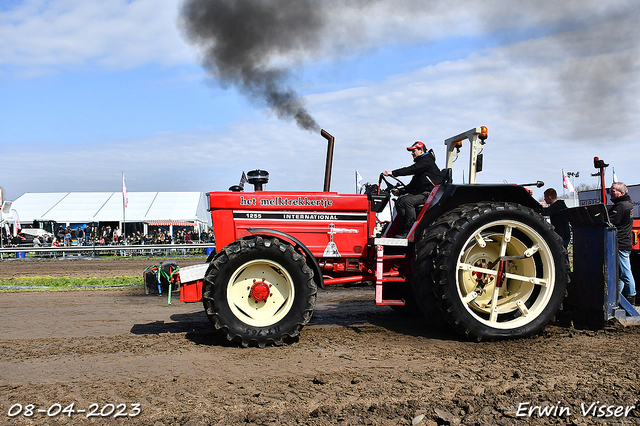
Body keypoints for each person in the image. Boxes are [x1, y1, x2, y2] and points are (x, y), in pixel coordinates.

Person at [383, 141, 443, 238]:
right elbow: (413, 184)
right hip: (422, 193)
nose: (412, 153)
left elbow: (411, 169)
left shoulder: (427, 161)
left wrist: (393, 173)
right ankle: (404, 229)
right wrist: (401, 191)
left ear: (421, 150)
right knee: (399, 202)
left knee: (408, 202)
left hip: (430, 193)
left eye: (413, 151)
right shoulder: (421, 166)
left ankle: (410, 231)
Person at [608, 182, 636, 305]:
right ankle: (616, 297)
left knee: (625, 272)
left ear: (621, 193)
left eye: (613, 191)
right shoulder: (627, 204)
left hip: (620, 243)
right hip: (623, 242)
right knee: (619, 273)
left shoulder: (621, 206)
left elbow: (608, 221)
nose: (610, 193)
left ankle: (631, 297)